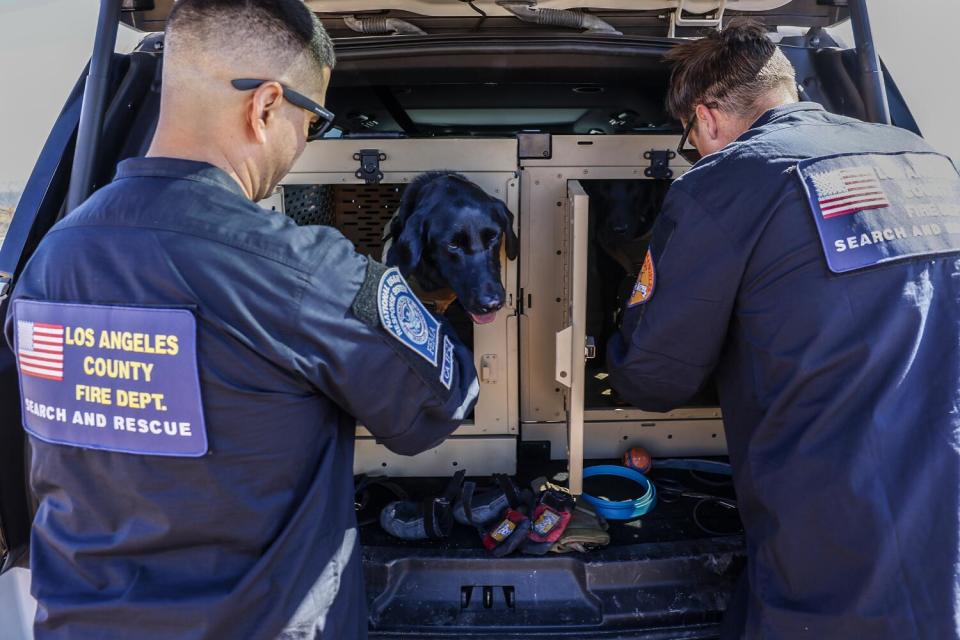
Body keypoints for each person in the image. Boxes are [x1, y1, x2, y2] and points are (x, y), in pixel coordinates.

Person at [3, 1, 478, 638]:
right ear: (265, 107)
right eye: (316, 121)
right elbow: (434, 408)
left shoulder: (47, 261)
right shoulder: (301, 270)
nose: (307, 142)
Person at [607, 20, 960, 639]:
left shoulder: (721, 186)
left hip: (840, 531)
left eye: (688, 138)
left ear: (706, 117)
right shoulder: (926, 161)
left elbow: (653, 375)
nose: (693, 151)